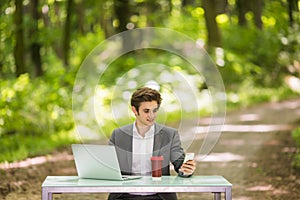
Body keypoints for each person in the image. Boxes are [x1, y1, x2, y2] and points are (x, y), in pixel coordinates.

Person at [108, 87, 196, 200]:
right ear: (135, 110)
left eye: (155, 110)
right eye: (146, 111)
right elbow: (109, 167)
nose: (152, 115)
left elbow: (180, 164)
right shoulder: (119, 135)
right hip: (124, 195)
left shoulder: (169, 135)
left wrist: (186, 170)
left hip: (159, 196)